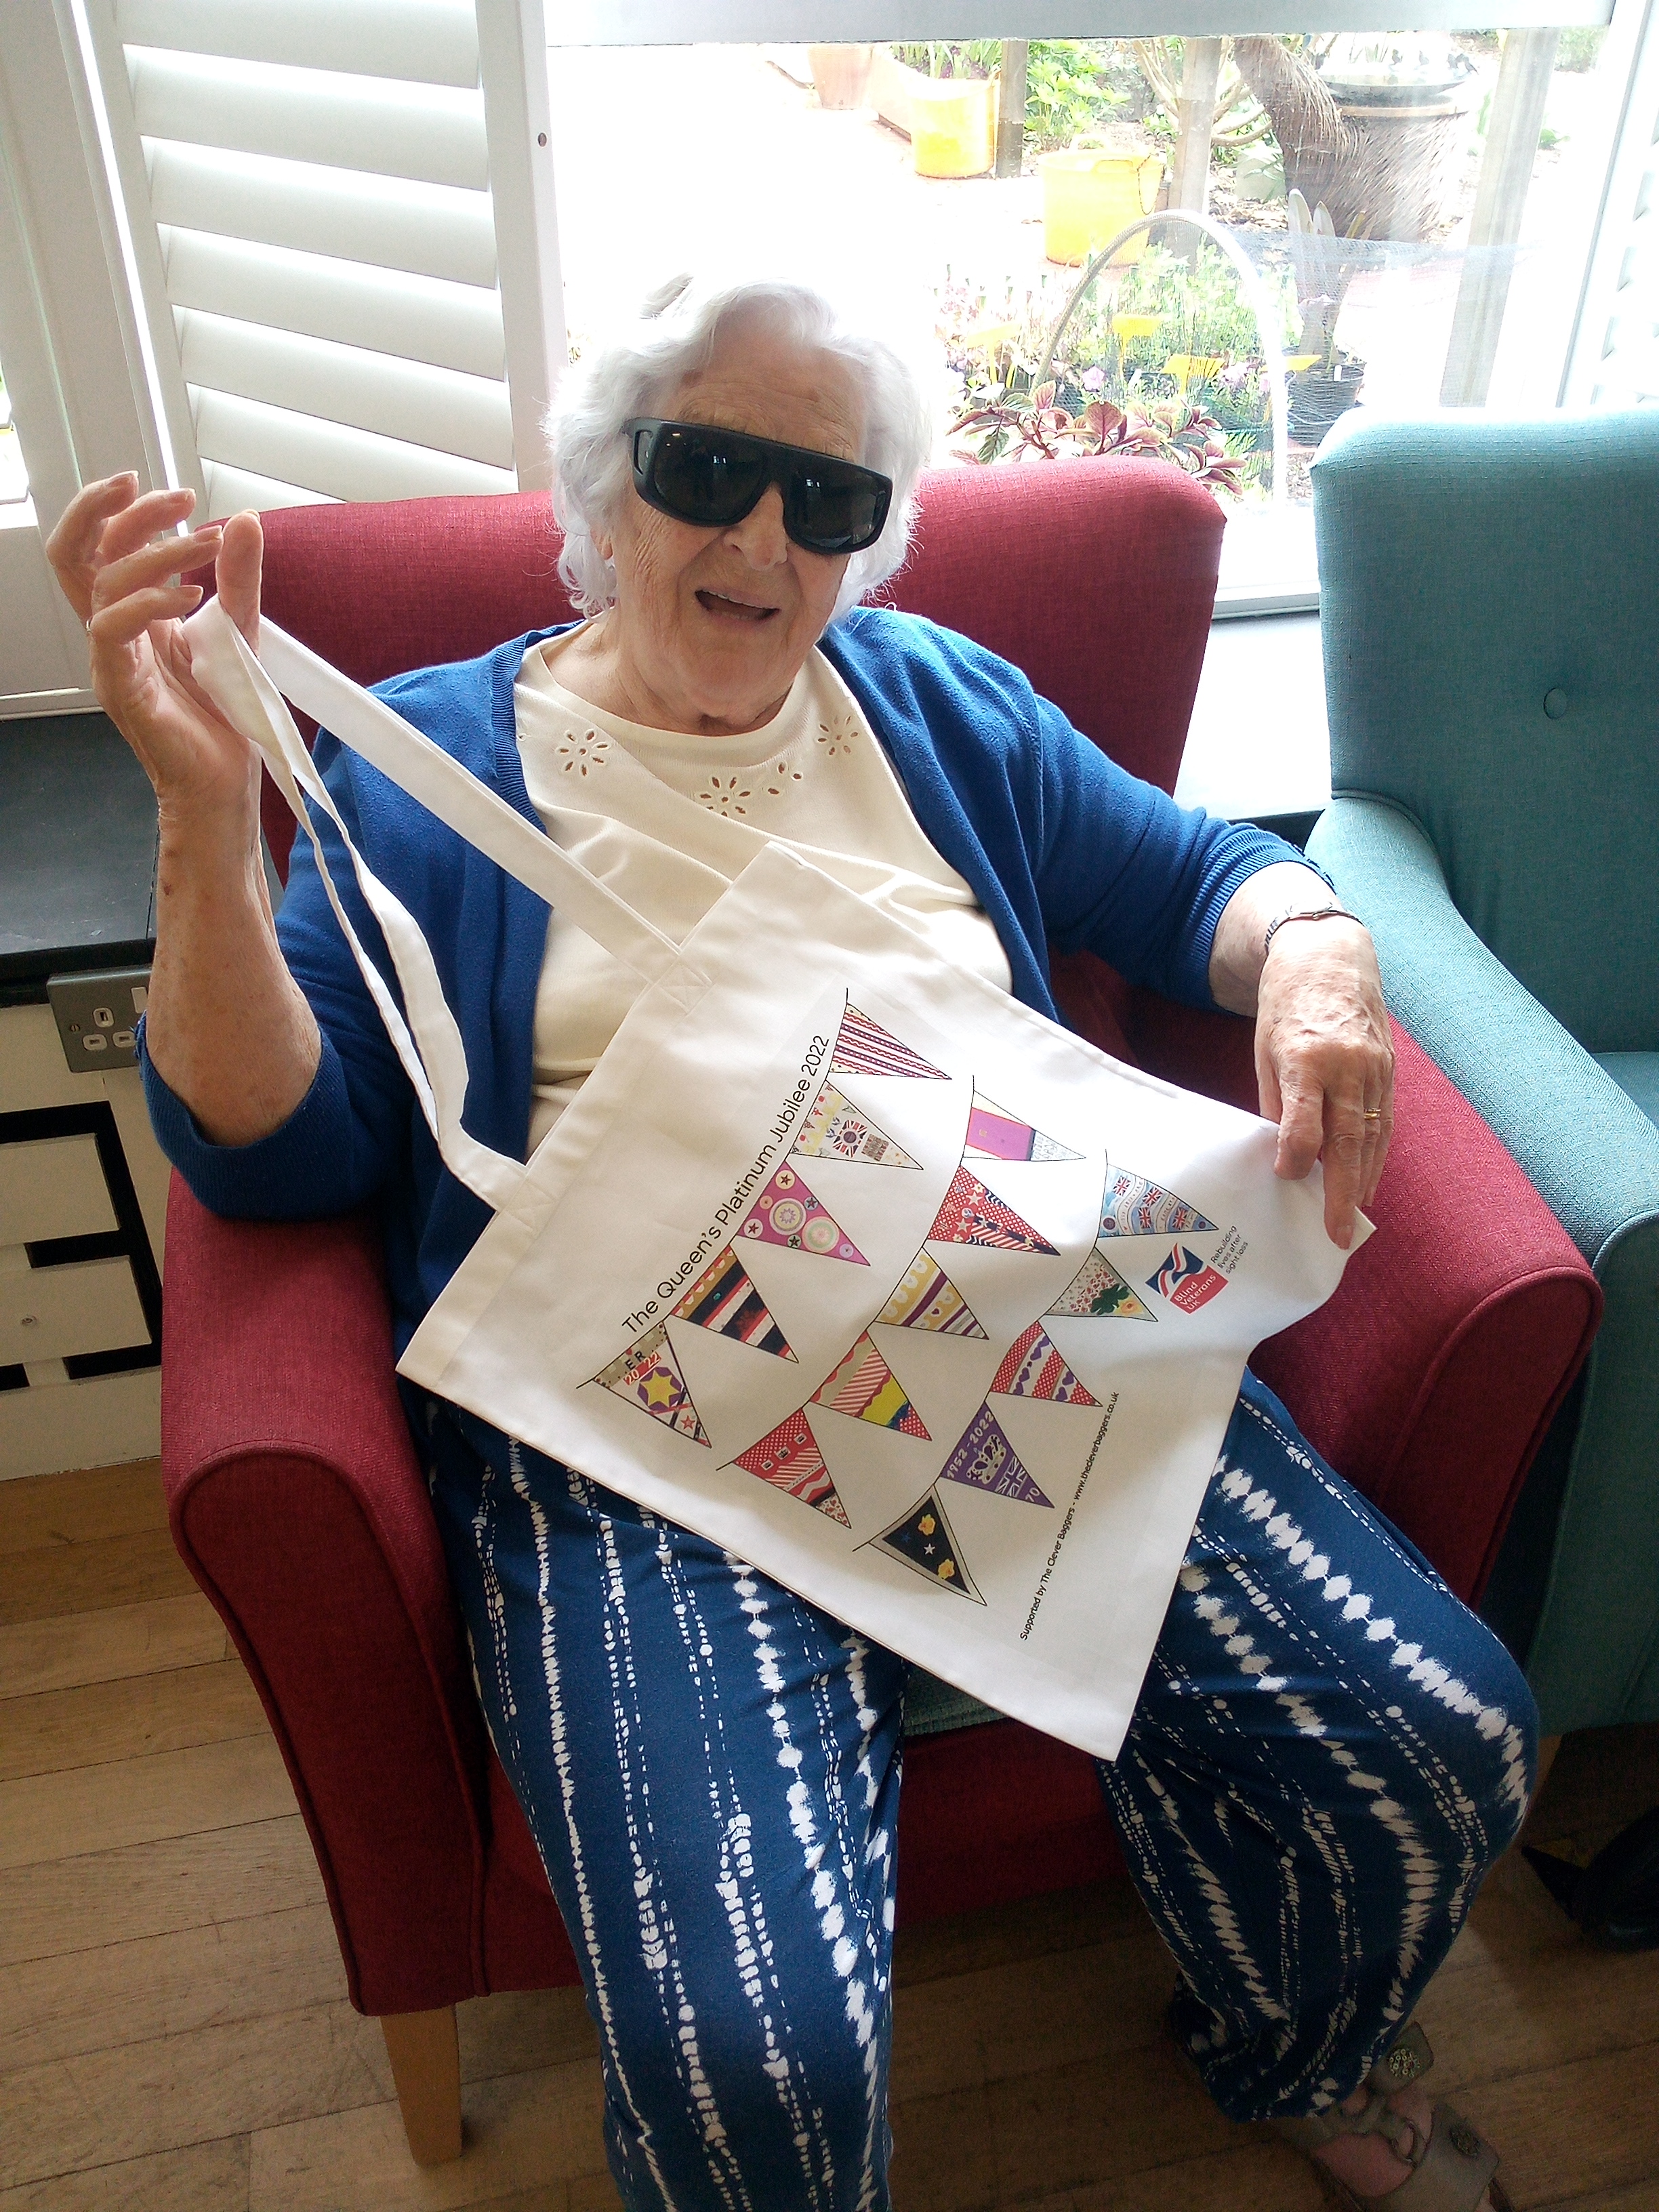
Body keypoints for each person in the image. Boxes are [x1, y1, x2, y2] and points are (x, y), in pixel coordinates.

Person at [49, 274, 1531, 2212]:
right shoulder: (422, 765)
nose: (761, 536)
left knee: (1446, 1741)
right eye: (710, 470)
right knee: (759, 2058)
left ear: (869, 542)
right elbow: (270, 1160)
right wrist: (200, 829)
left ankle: (1296, 2039)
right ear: (609, 489)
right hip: (637, 1428)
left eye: (825, 499)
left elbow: (1202, 880)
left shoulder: (942, 702)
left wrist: (1323, 958)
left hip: (1035, 1343)